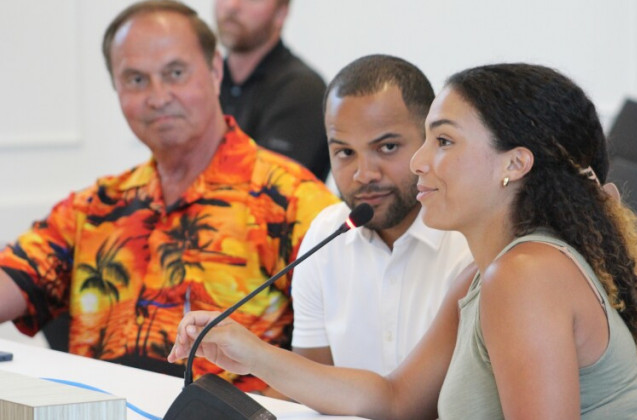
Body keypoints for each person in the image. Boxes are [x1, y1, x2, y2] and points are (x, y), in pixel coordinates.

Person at [169, 63, 637, 418]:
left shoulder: (524, 276)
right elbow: (393, 399)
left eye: (443, 141)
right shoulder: (483, 275)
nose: (419, 163)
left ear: (514, 164)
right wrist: (251, 353)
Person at [0, 0, 338, 394]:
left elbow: (347, 361)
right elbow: (13, 277)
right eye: (136, 80)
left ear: (215, 71)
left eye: (175, 73)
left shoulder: (291, 201)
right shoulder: (94, 208)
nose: (158, 97)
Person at [290, 55, 473, 375]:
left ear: (432, 141)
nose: (364, 174)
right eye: (345, 152)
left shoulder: (472, 241)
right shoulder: (324, 237)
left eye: (387, 147)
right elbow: (312, 389)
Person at [215, 0, 330, 181]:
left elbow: (269, 190)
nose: (232, 6)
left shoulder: (302, 90)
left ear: (281, 14)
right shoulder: (204, 82)